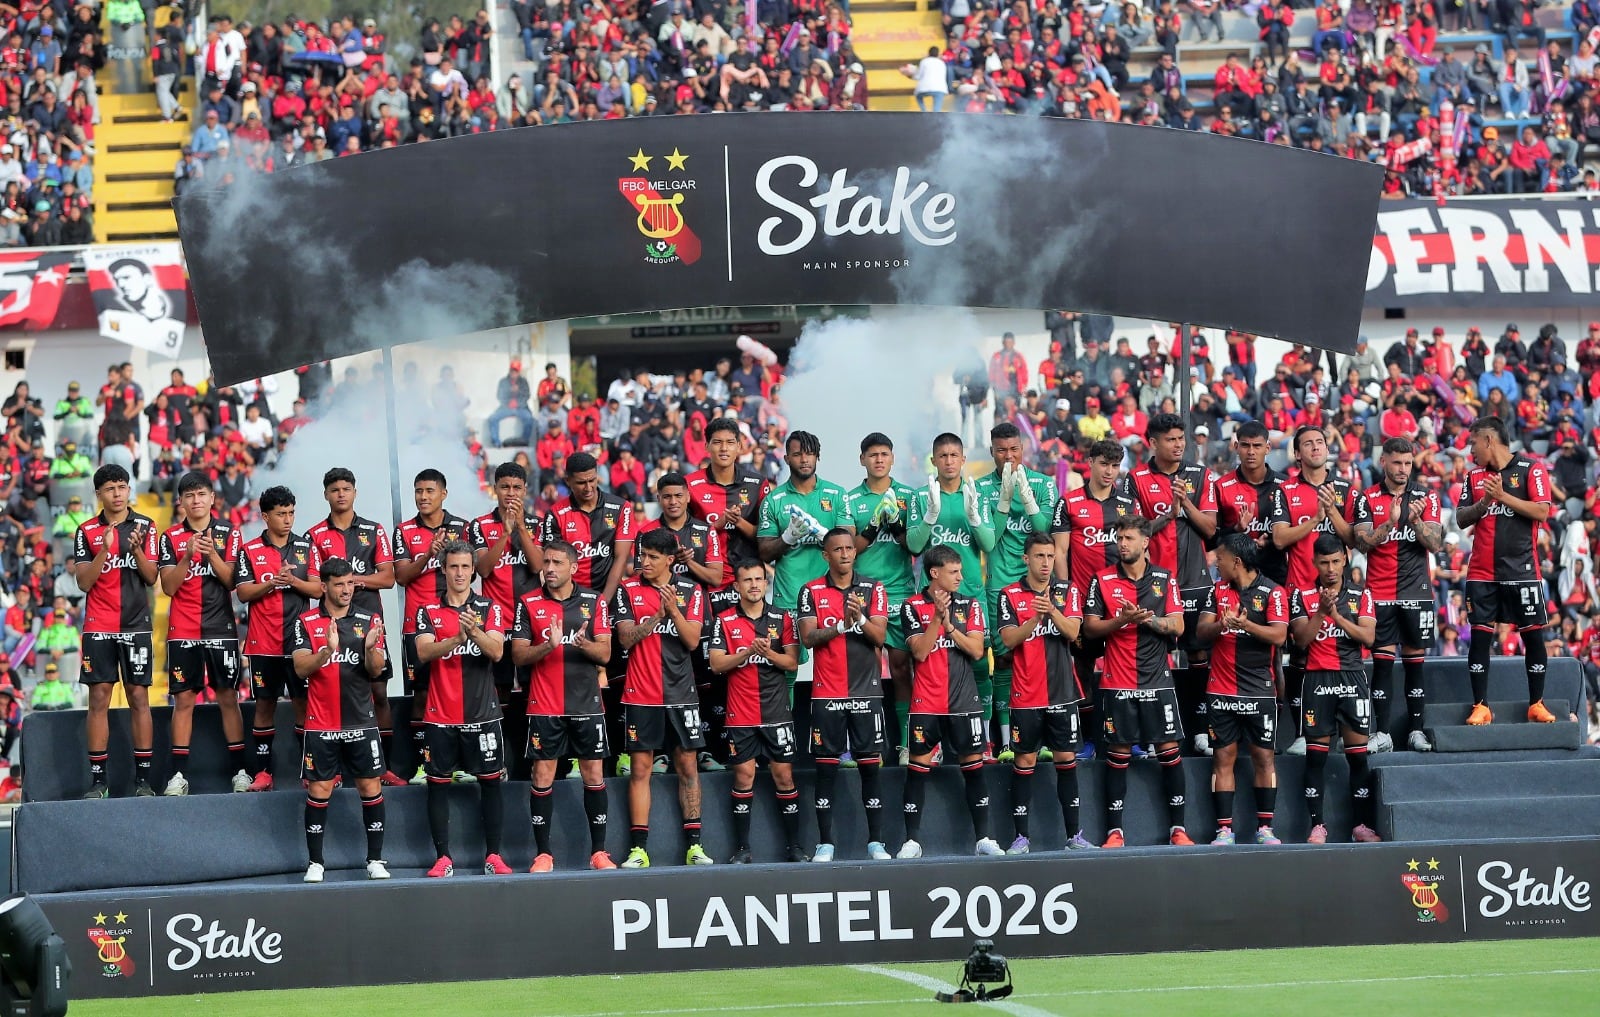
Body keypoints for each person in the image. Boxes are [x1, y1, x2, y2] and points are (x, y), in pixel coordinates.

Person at [1082, 514, 1193, 848]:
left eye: (1129, 538)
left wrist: (1148, 620)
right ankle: (1114, 831)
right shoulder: (1101, 579)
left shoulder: (1164, 578)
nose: (1122, 544)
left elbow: (1178, 626)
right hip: (1117, 682)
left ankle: (1179, 829)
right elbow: (1089, 628)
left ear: (1145, 542)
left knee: (1169, 751)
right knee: (1118, 754)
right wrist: (1120, 620)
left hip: (1157, 681)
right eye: (1119, 538)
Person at [513, 540, 616, 871]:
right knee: (543, 773)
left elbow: (605, 655)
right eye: (546, 562)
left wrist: (582, 643)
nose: (550, 568)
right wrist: (548, 645)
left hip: (586, 703)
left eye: (557, 562)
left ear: (573, 567)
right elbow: (518, 655)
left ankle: (599, 852)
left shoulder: (594, 600)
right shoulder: (528, 602)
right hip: (545, 705)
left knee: (593, 772)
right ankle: (543, 854)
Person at [414, 540, 511, 877]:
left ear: (473, 570)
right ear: (443, 569)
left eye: (465, 567)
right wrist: (457, 639)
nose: (459, 573)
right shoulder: (427, 611)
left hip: (482, 714)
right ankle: (443, 857)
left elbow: (497, 652)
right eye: (453, 566)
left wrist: (474, 632)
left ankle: (494, 856)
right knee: (437, 784)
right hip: (441, 715)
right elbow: (424, 653)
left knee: (491, 783)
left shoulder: (489, 607)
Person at [291, 557, 390, 883]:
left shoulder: (369, 619)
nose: (347, 589)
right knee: (320, 789)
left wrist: (371, 650)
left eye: (350, 583)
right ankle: (316, 862)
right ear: (324, 587)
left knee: (370, 786)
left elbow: (376, 671)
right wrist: (325, 651)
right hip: (321, 724)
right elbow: (300, 668)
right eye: (340, 584)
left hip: (361, 722)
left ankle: (375, 859)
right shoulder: (304, 621)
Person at [615, 526, 708, 868]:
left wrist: (674, 612)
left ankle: (694, 846)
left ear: (670, 560)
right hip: (641, 694)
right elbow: (625, 639)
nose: (645, 562)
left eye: (653, 557)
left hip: (681, 695)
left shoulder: (691, 591)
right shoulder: (627, 590)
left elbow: (693, 641)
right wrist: (656, 616)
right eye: (643, 555)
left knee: (687, 767)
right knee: (640, 769)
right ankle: (639, 849)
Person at [899, 544, 1000, 858]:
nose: (960, 576)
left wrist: (949, 625)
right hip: (926, 703)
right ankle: (912, 841)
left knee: (974, 768)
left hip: (964, 703)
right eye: (954, 571)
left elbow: (976, 650)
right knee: (917, 770)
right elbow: (919, 652)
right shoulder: (911, 606)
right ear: (934, 573)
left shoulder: (970, 605)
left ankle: (983, 838)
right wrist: (935, 621)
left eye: (960, 570)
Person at [997, 532, 1094, 853]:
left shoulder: (1067, 591)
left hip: (1062, 693)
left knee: (1066, 759)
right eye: (1039, 556)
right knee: (1024, 760)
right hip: (1026, 694)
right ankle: (1021, 837)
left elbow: (1073, 631)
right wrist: (1036, 617)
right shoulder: (1009, 594)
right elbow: (1009, 641)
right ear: (1026, 558)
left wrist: (1051, 611)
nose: (1046, 562)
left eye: (1050, 556)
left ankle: (1074, 836)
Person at [798, 528, 891, 862]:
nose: (845, 554)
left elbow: (879, 637)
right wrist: (840, 626)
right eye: (837, 549)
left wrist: (859, 618)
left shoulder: (872, 588)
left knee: (870, 768)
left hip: (867, 692)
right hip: (827, 693)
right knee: (826, 769)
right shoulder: (810, 590)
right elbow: (808, 639)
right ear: (826, 555)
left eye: (850, 548)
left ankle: (876, 843)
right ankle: (825, 843)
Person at [1456, 415, 1555, 725]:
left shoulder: (1531, 469)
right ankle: (1481, 705)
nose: (1469, 449)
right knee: (1480, 638)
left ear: (1489, 440)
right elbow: (1461, 518)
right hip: (1482, 572)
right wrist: (1485, 502)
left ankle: (1536, 703)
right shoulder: (1473, 477)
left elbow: (1542, 510)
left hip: (1522, 570)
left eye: (1473, 442)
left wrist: (1503, 497)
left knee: (1534, 638)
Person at [1268, 424, 1360, 751]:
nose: (1315, 448)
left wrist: (1330, 511)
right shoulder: (1285, 490)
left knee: (1343, 653)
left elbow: (1354, 540)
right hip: (1300, 586)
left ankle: (1346, 730)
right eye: (1308, 444)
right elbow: (1279, 538)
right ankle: (1302, 733)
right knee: (1300, 659)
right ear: (1297, 453)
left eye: (1320, 442)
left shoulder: (1346, 489)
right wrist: (1313, 518)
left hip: (1339, 587)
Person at [1130, 413, 1219, 753]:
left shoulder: (1199, 475)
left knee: (1198, 655)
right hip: (1154, 585)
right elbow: (1132, 533)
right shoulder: (1136, 478)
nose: (1179, 444)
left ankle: (1199, 728)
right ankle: (1153, 734)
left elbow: (1210, 529)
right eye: (1171, 439)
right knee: (1152, 657)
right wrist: (1167, 514)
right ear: (1153, 443)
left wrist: (1186, 506)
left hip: (1195, 582)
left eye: (1181, 438)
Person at [709, 559, 807, 863]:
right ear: (736, 586)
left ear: (766, 583)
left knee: (784, 776)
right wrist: (747, 653)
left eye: (759, 579)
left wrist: (768, 654)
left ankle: (795, 846)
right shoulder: (724, 621)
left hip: (776, 712)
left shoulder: (782, 618)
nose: (754, 585)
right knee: (744, 776)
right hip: (741, 713)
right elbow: (716, 664)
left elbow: (792, 663)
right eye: (747, 580)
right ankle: (742, 849)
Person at [307, 468, 401, 784]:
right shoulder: (315, 535)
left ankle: (383, 764)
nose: (341, 494)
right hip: (330, 626)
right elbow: (313, 583)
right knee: (332, 690)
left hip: (369, 623)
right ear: (326, 494)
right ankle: (329, 770)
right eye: (335, 489)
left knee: (379, 692)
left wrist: (351, 582)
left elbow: (388, 578)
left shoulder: (374, 530)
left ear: (355, 492)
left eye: (346, 488)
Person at [157, 472, 247, 796]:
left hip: (220, 626)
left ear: (212, 498)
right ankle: (178, 775)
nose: (196, 500)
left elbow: (232, 582)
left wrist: (210, 555)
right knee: (183, 700)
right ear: (181, 501)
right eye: (189, 495)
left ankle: (240, 771)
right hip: (183, 628)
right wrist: (186, 556)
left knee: (228, 696)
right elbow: (168, 586)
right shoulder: (169, 537)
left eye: (201, 494)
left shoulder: (228, 532)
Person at [1352, 438, 1444, 752]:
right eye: (1397, 463)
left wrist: (1415, 520)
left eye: (1407, 463)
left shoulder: (1425, 496)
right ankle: (1383, 733)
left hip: (1416, 591)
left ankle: (1415, 731)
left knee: (1415, 663)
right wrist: (1390, 523)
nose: (1403, 469)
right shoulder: (1367, 498)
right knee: (1382, 665)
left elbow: (1435, 544)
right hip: (1379, 592)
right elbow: (1362, 544)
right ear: (1384, 462)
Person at [1197, 533, 1290, 846]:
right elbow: (1201, 632)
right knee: (1222, 757)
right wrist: (1223, 625)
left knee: (1263, 758)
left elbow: (1278, 637)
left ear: (1235, 561)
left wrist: (1246, 625)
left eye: (1220, 558)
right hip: (1221, 689)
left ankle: (1266, 828)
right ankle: (1224, 830)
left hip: (1259, 691)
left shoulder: (1273, 593)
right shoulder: (1217, 590)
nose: (1216, 563)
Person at [72, 464, 158, 799]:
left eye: (122, 486)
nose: (118, 493)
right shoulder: (86, 530)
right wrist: (105, 549)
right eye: (110, 488)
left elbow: (152, 579)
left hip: (136, 625)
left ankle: (143, 780)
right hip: (99, 625)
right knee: (99, 699)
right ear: (99, 494)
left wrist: (135, 550)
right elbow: (83, 582)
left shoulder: (146, 527)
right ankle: (98, 781)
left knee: (139, 697)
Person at [1290, 535, 1382, 844]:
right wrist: (1320, 613)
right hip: (1317, 680)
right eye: (1324, 563)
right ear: (1314, 563)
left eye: (1335, 562)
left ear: (1345, 559)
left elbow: (1368, 638)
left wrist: (1337, 616)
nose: (1330, 569)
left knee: (1358, 757)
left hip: (1352, 678)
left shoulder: (1361, 595)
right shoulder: (1301, 595)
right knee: (1315, 758)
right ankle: (1317, 826)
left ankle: (1361, 825)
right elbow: (1301, 641)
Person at [632, 472, 726, 769]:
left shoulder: (704, 530)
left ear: (688, 496)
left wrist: (688, 563)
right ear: (658, 499)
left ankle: (704, 751)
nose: (673, 502)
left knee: (704, 683)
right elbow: (639, 574)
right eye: (666, 496)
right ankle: (660, 753)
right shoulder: (646, 532)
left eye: (678, 495)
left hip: (698, 617)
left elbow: (716, 576)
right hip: (658, 617)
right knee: (659, 683)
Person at [977, 422, 1058, 761]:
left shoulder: (1043, 484)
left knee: (1039, 657)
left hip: (1037, 583)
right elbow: (990, 540)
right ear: (992, 451)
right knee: (1006, 659)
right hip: (999, 585)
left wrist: (1026, 497)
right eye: (1000, 450)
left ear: (1023, 448)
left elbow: (1045, 534)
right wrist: (1004, 502)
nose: (1008, 456)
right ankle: (1007, 741)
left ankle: (1041, 737)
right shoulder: (980, 487)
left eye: (1014, 449)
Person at [235, 486, 323, 791]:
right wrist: (271, 583)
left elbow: (317, 590)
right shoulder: (249, 550)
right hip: (263, 643)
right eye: (281, 513)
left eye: (291, 513)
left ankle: (309, 772)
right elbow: (243, 592)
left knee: (303, 704)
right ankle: (263, 773)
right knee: (264, 706)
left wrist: (293, 580)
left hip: (300, 643)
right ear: (265, 516)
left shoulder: (305, 547)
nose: (287, 519)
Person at [393, 469, 472, 782]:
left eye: (429, 490)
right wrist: (427, 554)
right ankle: (425, 765)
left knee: (458, 692)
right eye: (418, 491)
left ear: (444, 494)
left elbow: (471, 573)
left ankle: (461, 764)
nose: (423, 497)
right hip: (417, 624)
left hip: (456, 622)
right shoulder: (405, 530)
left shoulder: (461, 528)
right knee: (421, 695)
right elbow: (400, 577)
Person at [846, 433, 918, 761]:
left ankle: (906, 743)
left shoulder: (908, 496)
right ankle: (864, 745)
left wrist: (899, 527)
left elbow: (916, 547)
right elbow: (848, 550)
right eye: (872, 454)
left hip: (901, 591)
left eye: (884, 454)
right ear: (862, 459)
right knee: (863, 670)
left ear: (892, 458)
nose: (878, 459)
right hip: (862, 593)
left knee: (902, 668)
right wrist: (873, 527)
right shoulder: (850, 499)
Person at [757, 430, 853, 619]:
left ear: (817, 456)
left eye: (809, 453)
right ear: (786, 459)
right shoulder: (773, 500)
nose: (804, 459)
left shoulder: (837, 494)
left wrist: (825, 535)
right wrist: (787, 537)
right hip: (788, 598)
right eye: (797, 454)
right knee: (789, 650)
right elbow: (764, 553)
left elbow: (850, 543)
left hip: (831, 597)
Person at [470, 462, 543, 705]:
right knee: (497, 688)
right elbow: (483, 569)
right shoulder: (479, 525)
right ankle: (500, 740)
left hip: (529, 620)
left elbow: (537, 566)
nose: (511, 493)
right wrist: (504, 534)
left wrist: (520, 528)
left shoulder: (537, 524)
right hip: (495, 619)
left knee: (531, 686)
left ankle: (529, 741)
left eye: (516, 488)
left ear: (525, 491)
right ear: (495, 489)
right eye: (505, 487)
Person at [686, 416, 769, 568]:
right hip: (706, 578)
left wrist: (738, 522)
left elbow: (766, 538)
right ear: (707, 446)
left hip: (748, 579)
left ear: (739, 446)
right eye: (717, 442)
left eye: (730, 442)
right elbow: (683, 536)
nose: (724, 448)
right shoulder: (689, 485)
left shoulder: (758, 484)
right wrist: (717, 524)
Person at [1215, 421, 1287, 586]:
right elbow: (1212, 539)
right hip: (1236, 578)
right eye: (1245, 445)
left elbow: (1295, 534)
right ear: (1236, 446)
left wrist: (1270, 542)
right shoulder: (1221, 487)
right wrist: (1236, 530)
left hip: (1276, 574)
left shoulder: (1285, 486)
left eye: (1257, 446)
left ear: (1267, 448)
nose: (1251, 452)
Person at [487, 360, 534, 446]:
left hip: (521, 408)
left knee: (529, 418)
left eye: (516, 371)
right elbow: (499, 396)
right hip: (506, 407)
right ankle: (496, 442)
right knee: (493, 418)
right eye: (512, 370)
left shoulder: (523, 382)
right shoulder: (503, 381)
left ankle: (524, 441)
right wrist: (509, 391)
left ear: (519, 372)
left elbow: (527, 395)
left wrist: (518, 392)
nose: (513, 372)